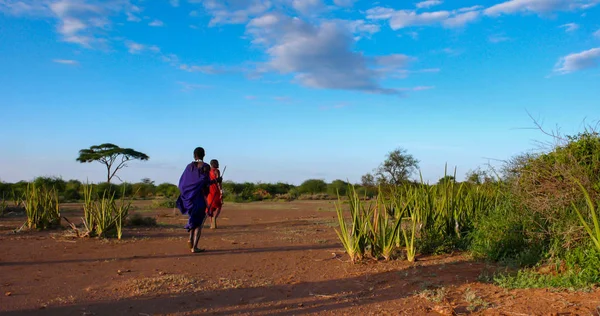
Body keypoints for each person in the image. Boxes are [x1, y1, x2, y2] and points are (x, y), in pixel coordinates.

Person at [176, 147, 222, 253]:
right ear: (204, 155)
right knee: (199, 223)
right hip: (199, 198)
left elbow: (182, 183)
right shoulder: (205, 166)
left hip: (189, 199)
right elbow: (205, 183)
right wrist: (217, 181)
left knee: (193, 219)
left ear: (194, 155)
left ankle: (190, 239)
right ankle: (194, 247)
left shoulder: (189, 167)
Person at [206, 159, 223, 229]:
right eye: (217, 163)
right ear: (214, 164)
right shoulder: (216, 171)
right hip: (215, 191)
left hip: (209, 191)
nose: (218, 164)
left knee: (210, 208)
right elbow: (219, 183)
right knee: (219, 205)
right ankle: (215, 218)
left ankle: (211, 223)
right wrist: (221, 190)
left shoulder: (207, 171)